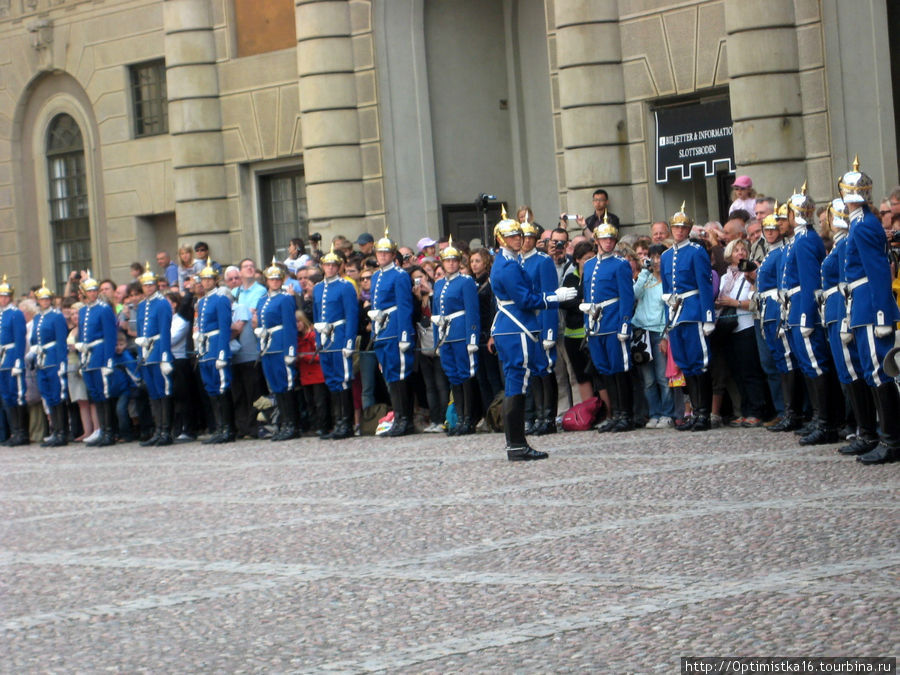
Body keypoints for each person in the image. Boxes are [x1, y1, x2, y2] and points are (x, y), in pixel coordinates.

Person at [490, 208, 575, 461]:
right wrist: (553, 297)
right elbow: (525, 299)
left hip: (514, 326)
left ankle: (517, 443)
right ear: (502, 239)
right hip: (517, 327)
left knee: (520, 383)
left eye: (520, 235)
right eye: (513, 236)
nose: (520, 238)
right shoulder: (508, 266)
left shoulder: (510, 261)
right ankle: (516, 444)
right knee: (517, 385)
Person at [841, 158, 900, 464]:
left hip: (870, 303)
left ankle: (891, 440)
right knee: (871, 371)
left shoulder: (863, 225)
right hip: (861, 302)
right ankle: (884, 436)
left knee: (880, 372)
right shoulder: (861, 223)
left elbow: (877, 272)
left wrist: (881, 315)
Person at [780, 183, 841, 446]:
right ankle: (819, 418)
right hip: (794, 307)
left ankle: (827, 422)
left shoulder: (805, 241)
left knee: (816, 365)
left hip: (804, 309)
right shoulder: (799, 239)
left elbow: (809, 282)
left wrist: (806, 316)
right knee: (808, 365)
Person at [820, 198, 875, 456]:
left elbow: (846, 285)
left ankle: (867, 430)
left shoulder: (845, 242)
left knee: (857, 371)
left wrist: (844, 319)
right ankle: (862, 428)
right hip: (837, 309)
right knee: (849, 372)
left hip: (847, 310)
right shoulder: (838, 244)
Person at [660, 204, 715, 431]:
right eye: (676, 227)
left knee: (699, 364)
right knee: (685, 365)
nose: (679, 231)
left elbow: (705, 284)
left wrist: (708, 316)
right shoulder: (665, 256)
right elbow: (665, 291)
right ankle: (695, 412)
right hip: (676, 313)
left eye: (683, 227)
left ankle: (704, 414)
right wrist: (667, 320)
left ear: (689, 229)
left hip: (693, 310)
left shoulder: (696, 251)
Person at [581, 217, 635, 432]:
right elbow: (588, 296)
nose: (608, 243)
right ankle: (615, 413)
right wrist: (588, 323)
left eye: (611, 239)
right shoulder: (590, 264)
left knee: (619, 369)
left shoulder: (620, 264)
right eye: (604, 239)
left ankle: (625, 414)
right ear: (597, 241)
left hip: (613, 320)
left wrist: (624, 324)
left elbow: (626, 297)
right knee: (605, 370)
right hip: (596, 324)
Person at [756, 206, 802, 433]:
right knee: (779, 361)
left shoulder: (782, 251)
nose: (771, 232)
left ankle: (793, 412)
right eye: (767, 228)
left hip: (777, 306)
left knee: (787, 360)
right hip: (768, 308)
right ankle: (788, 411)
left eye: (774, 228)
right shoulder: (771, 252)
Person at [370, 228, 416, 436]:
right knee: (390, 375)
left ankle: (405, 419)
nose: (382, 256)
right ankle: (398, 416)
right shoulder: (376, 277)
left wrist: (404, 335)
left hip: (396, 329)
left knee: (400, 376)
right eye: (379, 253)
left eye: (386, 253)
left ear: (392, 255)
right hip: (383, 330)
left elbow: (405, 306)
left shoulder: (399, 276)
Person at [432, 237, 480, 435]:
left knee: (466, 375)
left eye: (454, 260)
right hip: (446, 335)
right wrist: (437, 340)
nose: (451, 263)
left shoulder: (466, 281)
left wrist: (473, 337)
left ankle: (469, 418)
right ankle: (459, 418)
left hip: (461, 332)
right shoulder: (438, 284)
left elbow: (472, 311)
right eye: (447, 260)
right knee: (453, 377)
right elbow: (436, 312)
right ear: (442, 263)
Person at [520, 220, 563, 435]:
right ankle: (537, 415)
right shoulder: (516, 261)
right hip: (524, 323)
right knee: (532, 372)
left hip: (540, 320)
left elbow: (550, 297)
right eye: (523, 237)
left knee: (545, 370)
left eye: (529, 237)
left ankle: (549, 417)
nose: (526, 241)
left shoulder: (543, 261)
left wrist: (549, 331)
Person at [313, 245, 359, 440]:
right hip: (325, 337)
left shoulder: (345, 286)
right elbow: (316, 316)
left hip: (339, 334)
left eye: (333, 265)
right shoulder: (318, 288)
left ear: (339, 267)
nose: (330, 268)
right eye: (327, 265)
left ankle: (346, 423)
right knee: (331, 379)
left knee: (343, 378)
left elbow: (351, 315)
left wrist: (349, 341)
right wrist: (318, 340)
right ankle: (337, 421)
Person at [256, 258, 299, 441]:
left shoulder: (285, 299)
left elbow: (290, 326)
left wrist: (290, 351)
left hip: (281, 344)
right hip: (268, 347)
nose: (275, 282)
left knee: (286, 386)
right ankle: (282, 422)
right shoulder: (262, 300)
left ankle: (292, 424)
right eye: (272, 279)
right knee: (276, 387)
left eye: (277, 279)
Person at [76, 272, 118, 447]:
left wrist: (109, 360)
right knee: (95, 395)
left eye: (95, 290)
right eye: (90, 291)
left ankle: (109, 432)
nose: (93, 293)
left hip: (100, 353)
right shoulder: (83, 311)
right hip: (88, 355)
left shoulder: (104, 309)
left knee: (104, 393)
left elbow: (110, 336)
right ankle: (101, 430)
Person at [194, 263, 235, 444]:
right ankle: (219, 427)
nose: (206, 282)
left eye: (209, 279)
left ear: (215, 280)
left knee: (222, 388)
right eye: (204, 279)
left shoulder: (221, 299)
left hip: (217, 345)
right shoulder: (202, 301)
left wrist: (222, 353)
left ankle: (227, 428)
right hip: (205, 348)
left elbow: (224, 328)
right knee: (210, 388)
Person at [135, 266, 175, 446]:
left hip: (158, 350)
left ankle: (166, 431)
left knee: (162, 391)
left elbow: (165, 331)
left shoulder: (162, 303)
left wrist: (165, 356)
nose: (149, 288)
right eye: (145, 285)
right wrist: (140, 355)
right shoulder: (142, 305)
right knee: (152, 392)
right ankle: (157, 430)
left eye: (151, 285)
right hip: (147, 351)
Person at [29, 280, 69, 446]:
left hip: (53, 358)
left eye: (47, 299)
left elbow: (61, 340)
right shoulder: (38, 317)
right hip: (42, 359)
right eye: (42, 299)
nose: (45, 301)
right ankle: (55, 430)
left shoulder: (57, 316)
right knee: (47, 395)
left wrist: (61, 362)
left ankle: (62, 432)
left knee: (57, 395)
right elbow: (34, 338)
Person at [0, 275, 28, 445]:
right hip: (2, 360)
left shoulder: (15, 313)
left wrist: (18, 361)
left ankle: (21, 433)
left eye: (5, 296)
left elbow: (19, 339)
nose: (3, 299)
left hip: (11, 357)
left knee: (17, 395)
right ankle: (14, 431)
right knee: (7, 396)